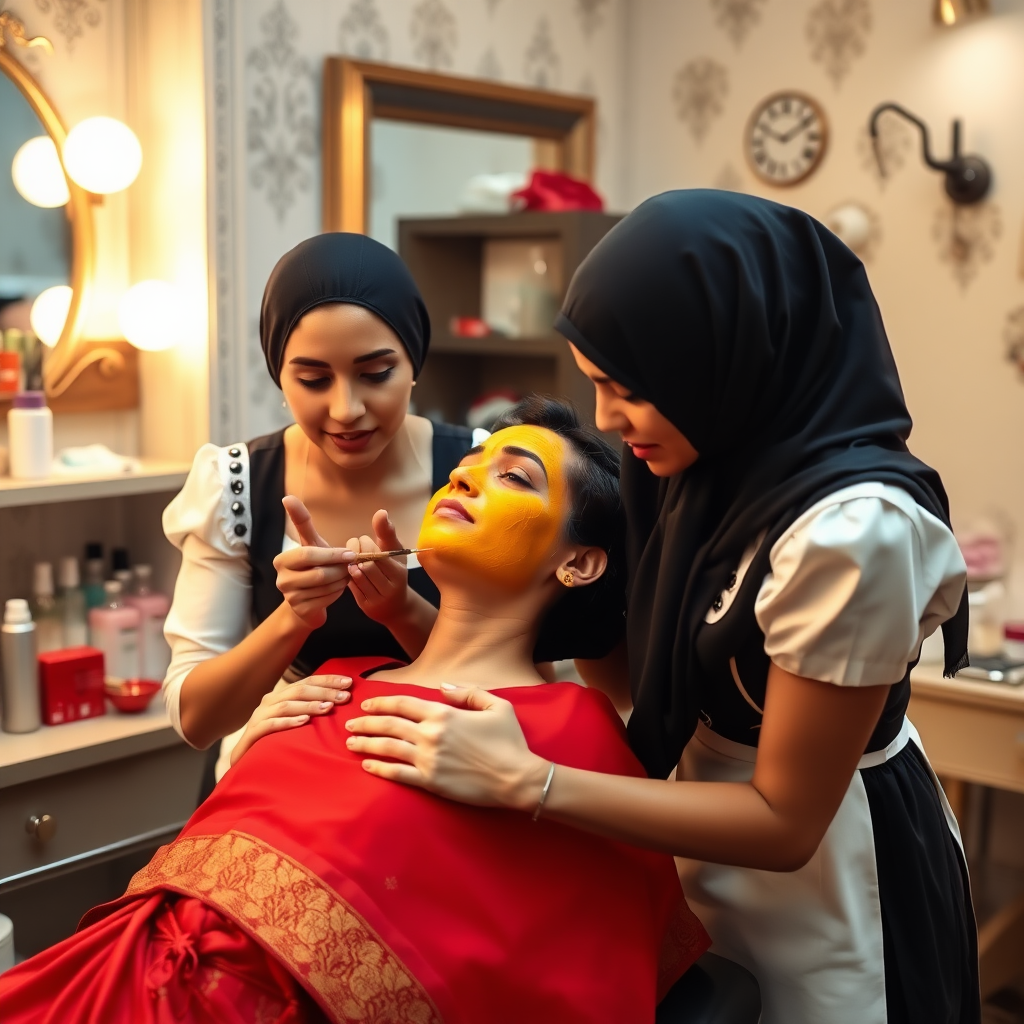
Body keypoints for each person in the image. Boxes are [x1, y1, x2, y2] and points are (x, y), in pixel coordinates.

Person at [339, 191, 980, 1024]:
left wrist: (532, 780)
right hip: (684, 827)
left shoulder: (854, 535)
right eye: (597, 385)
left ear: (719, 359)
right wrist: (417, 621)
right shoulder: (691, 455)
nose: (608, 419)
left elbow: (784, 820)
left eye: (626, 390)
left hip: (823, 875)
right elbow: (633, 681)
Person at [0, 400, 710, 1024]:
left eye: (515, 476)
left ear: (580, 563)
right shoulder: (331, 684)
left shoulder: (566, 732)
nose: (462, 476)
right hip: (105, 974)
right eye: (471, 463)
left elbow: (579, 963)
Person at [161, 232, 484, 782]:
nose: (346, 409)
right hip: (290, 786)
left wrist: (404, 611)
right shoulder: (234, 485)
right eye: (312, 379)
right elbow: (195, 718)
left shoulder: (482, 472)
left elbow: (532, 685)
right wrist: (292, 620)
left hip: (443, 787)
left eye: (376, 374)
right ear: (279, 377)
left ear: (415, 362)